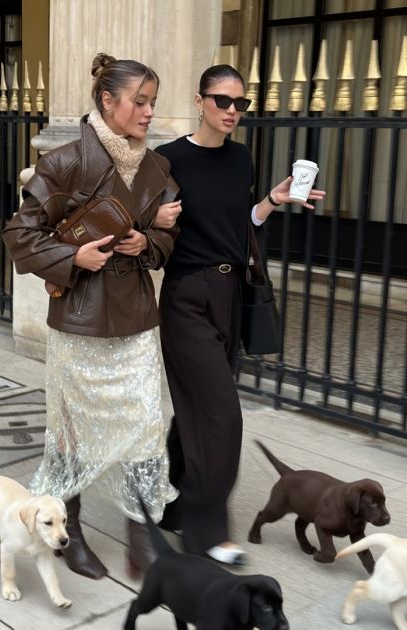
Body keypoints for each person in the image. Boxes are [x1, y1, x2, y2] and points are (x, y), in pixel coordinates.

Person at [3, 53, 180, 580]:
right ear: (107, 100)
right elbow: (18, 235)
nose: (149, 112)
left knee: (146, 427)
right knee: (72, 434)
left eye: (152, 102)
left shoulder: (157, 166)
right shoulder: (64, 162)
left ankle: (142, 538)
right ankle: (70, 533)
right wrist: (72, 257)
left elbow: (168, 237)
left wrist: (147, 242)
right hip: (80, 319)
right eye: (139, 101)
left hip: (136, 319)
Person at [154, 64, 325, 565]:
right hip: (187, 295)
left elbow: (239, 223)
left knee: (199, 409)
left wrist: (271, 200)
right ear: (199, 101)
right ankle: (206, 533)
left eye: (241, 103)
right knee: (222, 415)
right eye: (222, 101)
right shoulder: (168, 159)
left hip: (231, 294)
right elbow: (150, 226)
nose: (232, 111)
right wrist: (152, 220)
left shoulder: (241, 158)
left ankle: (174, 505)